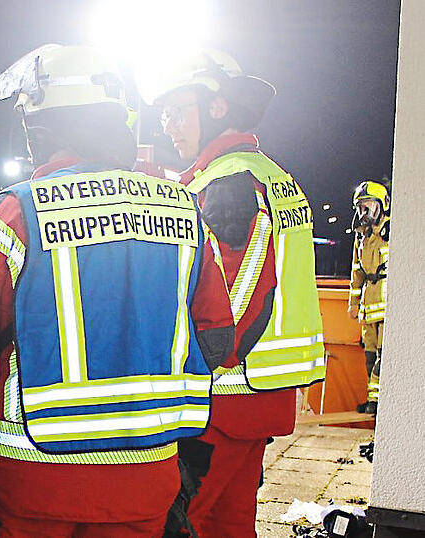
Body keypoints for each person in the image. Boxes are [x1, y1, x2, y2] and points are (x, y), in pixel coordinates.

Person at [0, 44, 235, 537]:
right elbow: (217, 342)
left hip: (31, 480)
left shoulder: (20, 212)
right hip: (147, 481)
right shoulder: (183, 209)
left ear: (41, 129)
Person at [140, 49, 326, 537]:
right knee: (231, 522)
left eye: (179, 111)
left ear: (217, 108)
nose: (169, 126)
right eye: (164, 116)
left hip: (220, 394)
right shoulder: (269, 175)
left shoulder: (227, 182)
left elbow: (235, 298)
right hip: (256, 393)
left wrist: (187, 369)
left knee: (186, 522)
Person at [349, 180, 389, 415]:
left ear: (381, 206)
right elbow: (357, 272)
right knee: (370, 357)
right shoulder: (361, 237)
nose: (363, 213)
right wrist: (353, 304)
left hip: (386, 306)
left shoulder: (391, 230)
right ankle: (372, 400)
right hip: (368, 306)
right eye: (360, 208)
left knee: (383, 358)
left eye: (368, 207)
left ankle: (378, 403)